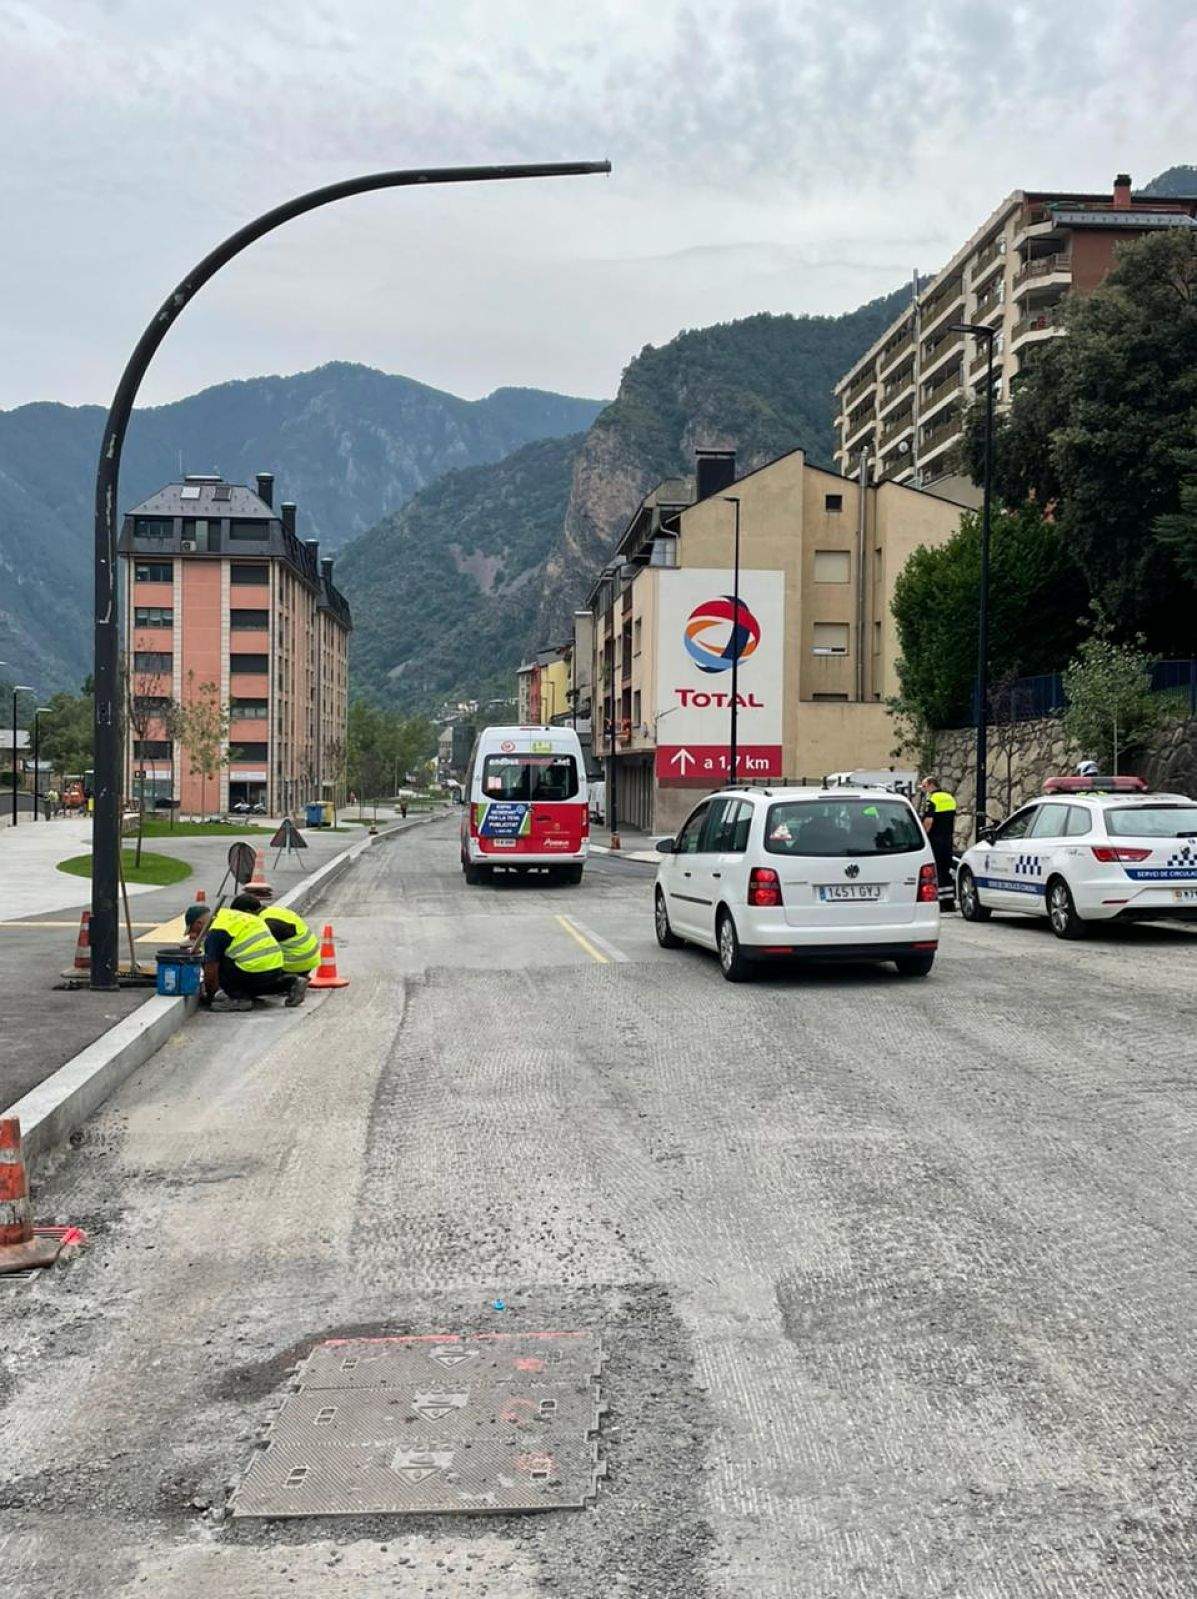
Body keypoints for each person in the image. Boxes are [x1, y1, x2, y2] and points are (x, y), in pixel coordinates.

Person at [185, 900, 308, 1012]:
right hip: (275, 967)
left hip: (254, 970)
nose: (192, 936)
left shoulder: (216, 931)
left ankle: (239, 999)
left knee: (216, 960)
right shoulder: (230, 915)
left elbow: (211, 972)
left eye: (192, 930)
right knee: (252, 984)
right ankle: (291, 982)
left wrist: (209, 996)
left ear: (199, 923)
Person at [230, 892, 321, 978]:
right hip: (308, 961)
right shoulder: (274, 911)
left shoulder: (265, 924)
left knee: (251, 966)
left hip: (295, 964)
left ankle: (289, 980)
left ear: (248, 912)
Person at [919, 776, 958, 907]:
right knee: (945, 870)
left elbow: (929, 821)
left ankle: (940, 902)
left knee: (936, 871)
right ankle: (949, 902)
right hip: (947, 839)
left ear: (930, 785)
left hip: (934, 839)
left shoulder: (932, 800)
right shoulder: (949, 798)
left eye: (924, 787)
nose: (923, 790)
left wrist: (923, 836)